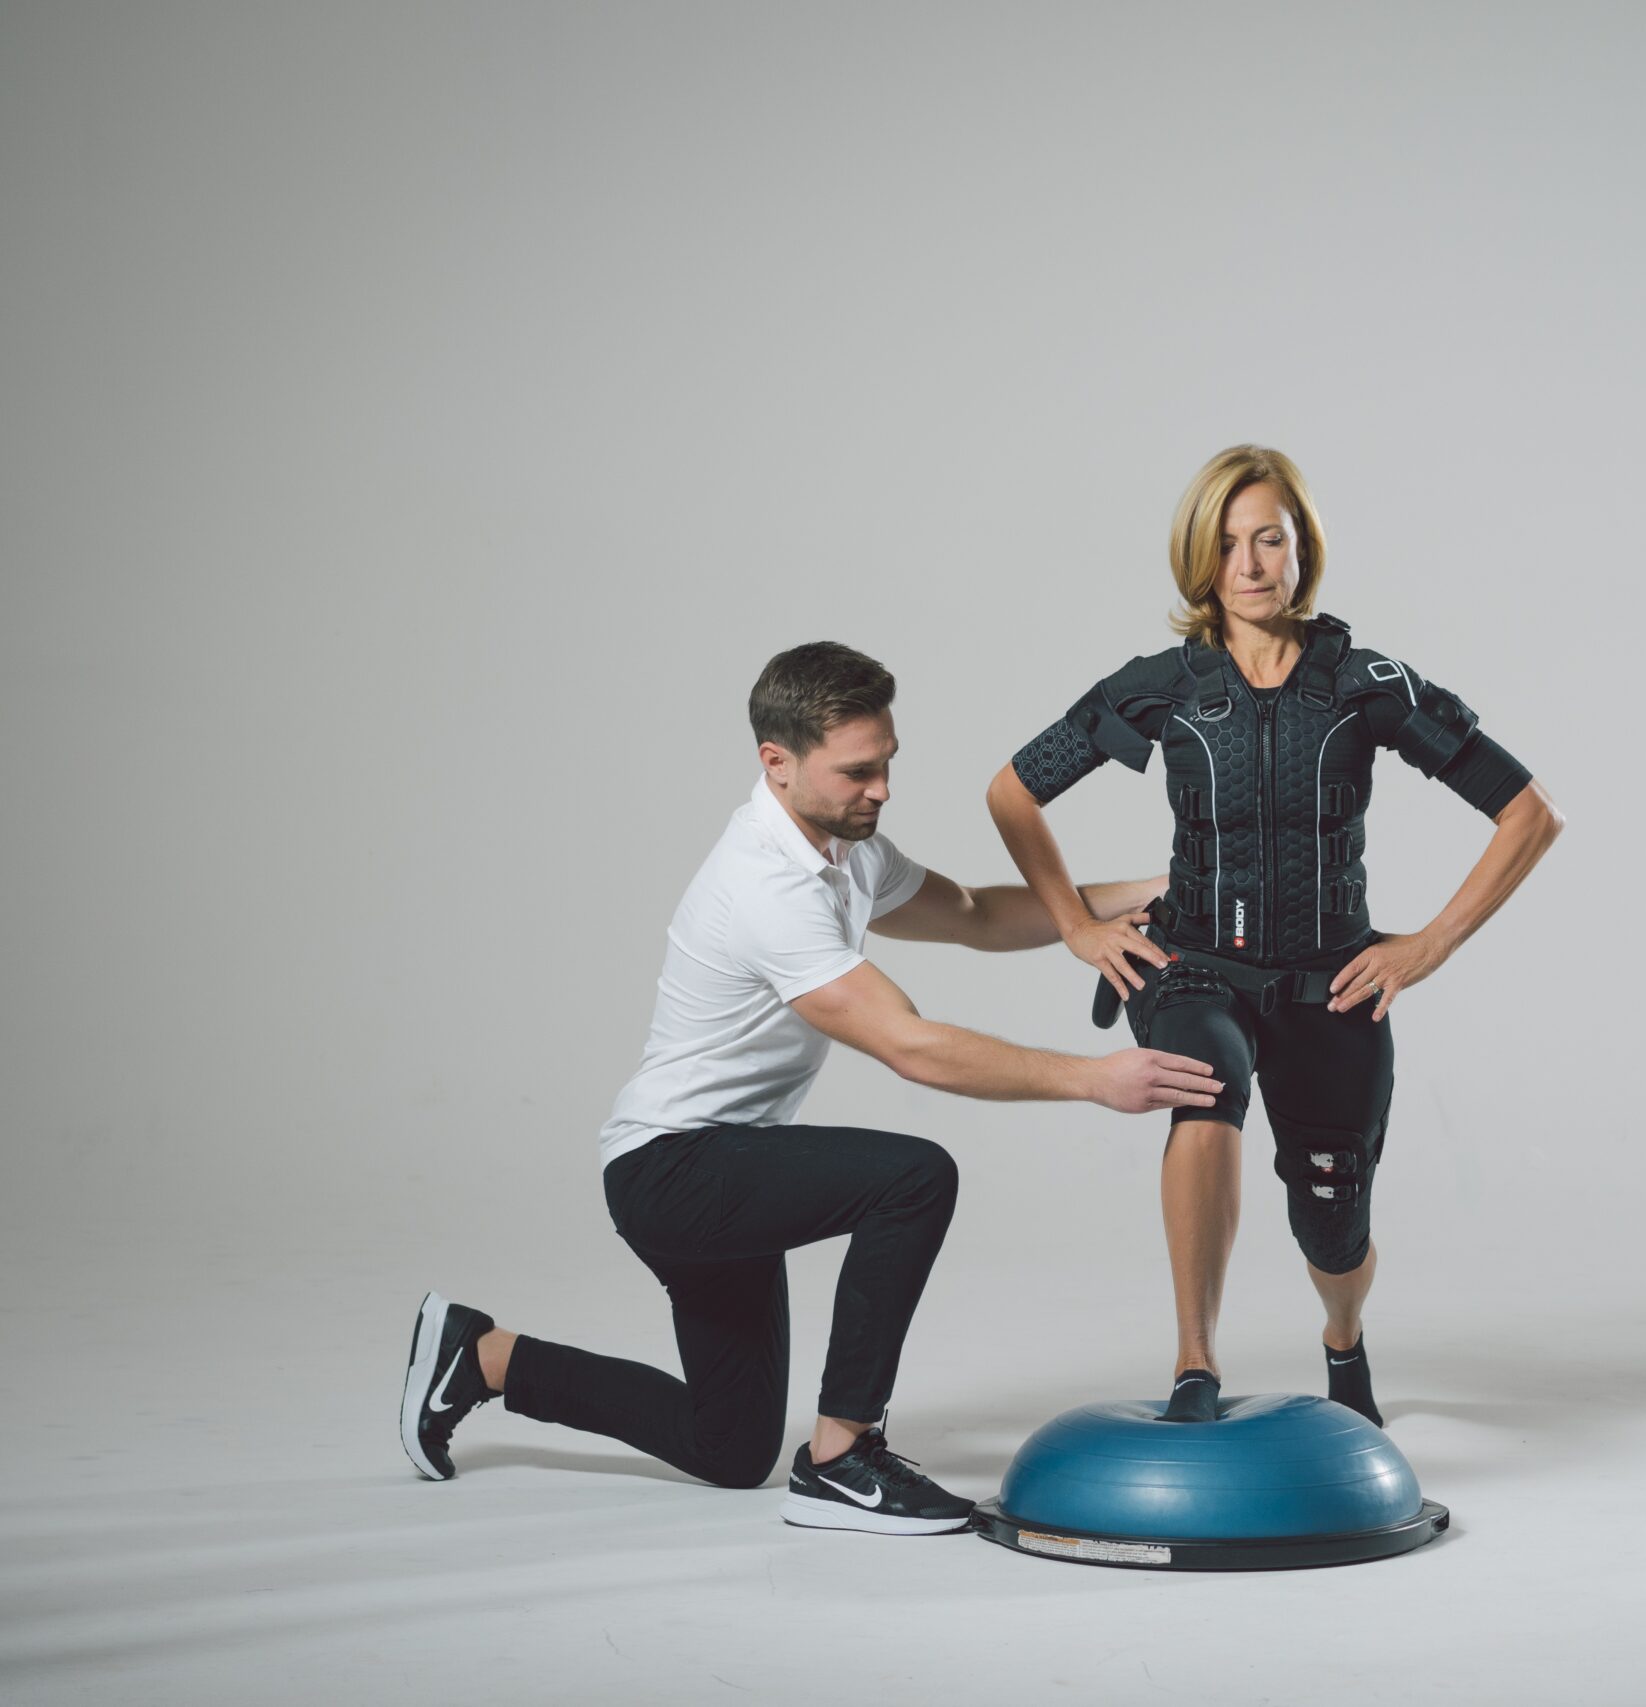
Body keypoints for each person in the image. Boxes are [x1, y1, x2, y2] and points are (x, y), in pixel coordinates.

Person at [400, 642, 1223, 1533]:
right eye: (858, 772)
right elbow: (910, 1045)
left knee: (729, 1446)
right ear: (778, 762)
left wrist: (1156, 887)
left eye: (888, 762)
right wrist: (1094, 1080)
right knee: (914, 1178)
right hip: (671, 1169)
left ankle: (481, 1356)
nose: (882, 789)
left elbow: (977, 915)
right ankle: (842, 1458)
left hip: (727, 1162)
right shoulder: (765, 884)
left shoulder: (843, 847)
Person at [987, 445, 1563, 1425]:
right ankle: (1194, 1367)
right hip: (1192, 966)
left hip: (1331, 984)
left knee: (1334, 1227)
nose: (1248, 564)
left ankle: (1343, 1337)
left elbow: (1529, 812)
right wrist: (1077, 926)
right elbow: (1012, 792)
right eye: (1226, 545)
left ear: (1303, 551)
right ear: (1197, 559)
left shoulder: (1367, 685)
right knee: (1202, 1082)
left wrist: (1428, 944)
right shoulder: (1159, 686)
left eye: (1268, 540)